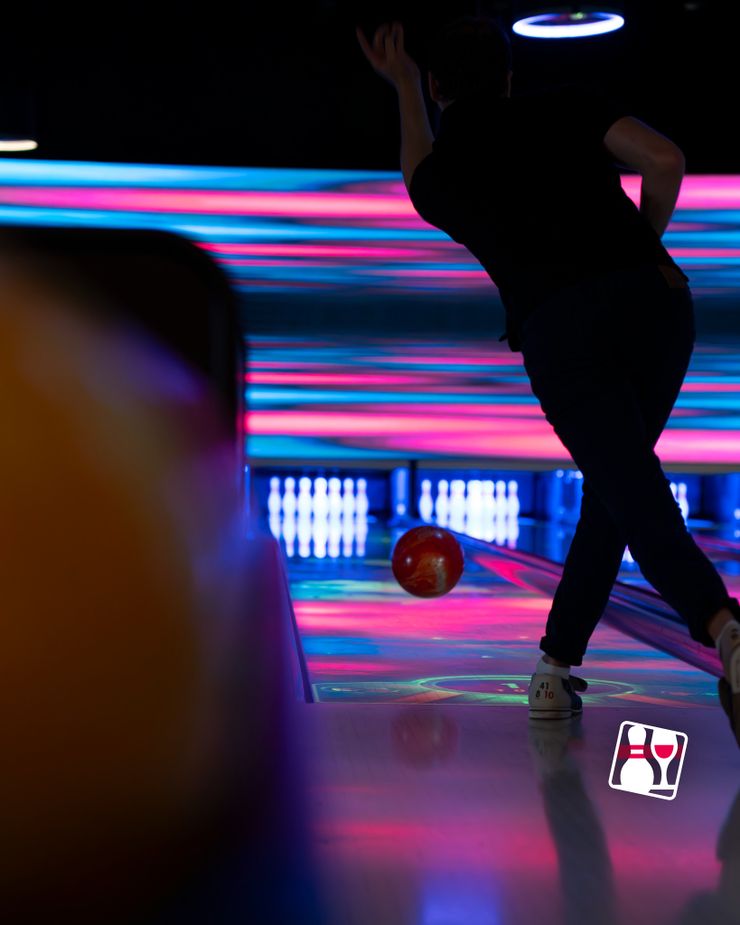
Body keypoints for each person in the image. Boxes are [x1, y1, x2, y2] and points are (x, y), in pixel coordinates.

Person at [356, 16, 740, 745]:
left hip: (563, 329)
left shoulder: (444, 173)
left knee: (628, 487)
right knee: (617, 487)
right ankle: (556, 666)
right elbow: (665, 160)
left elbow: (415, 168)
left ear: (437, 86)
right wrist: (640, 249)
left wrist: (401, 84)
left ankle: (725, 629)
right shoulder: (568, 102)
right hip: (659, 303)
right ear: (508, 76)